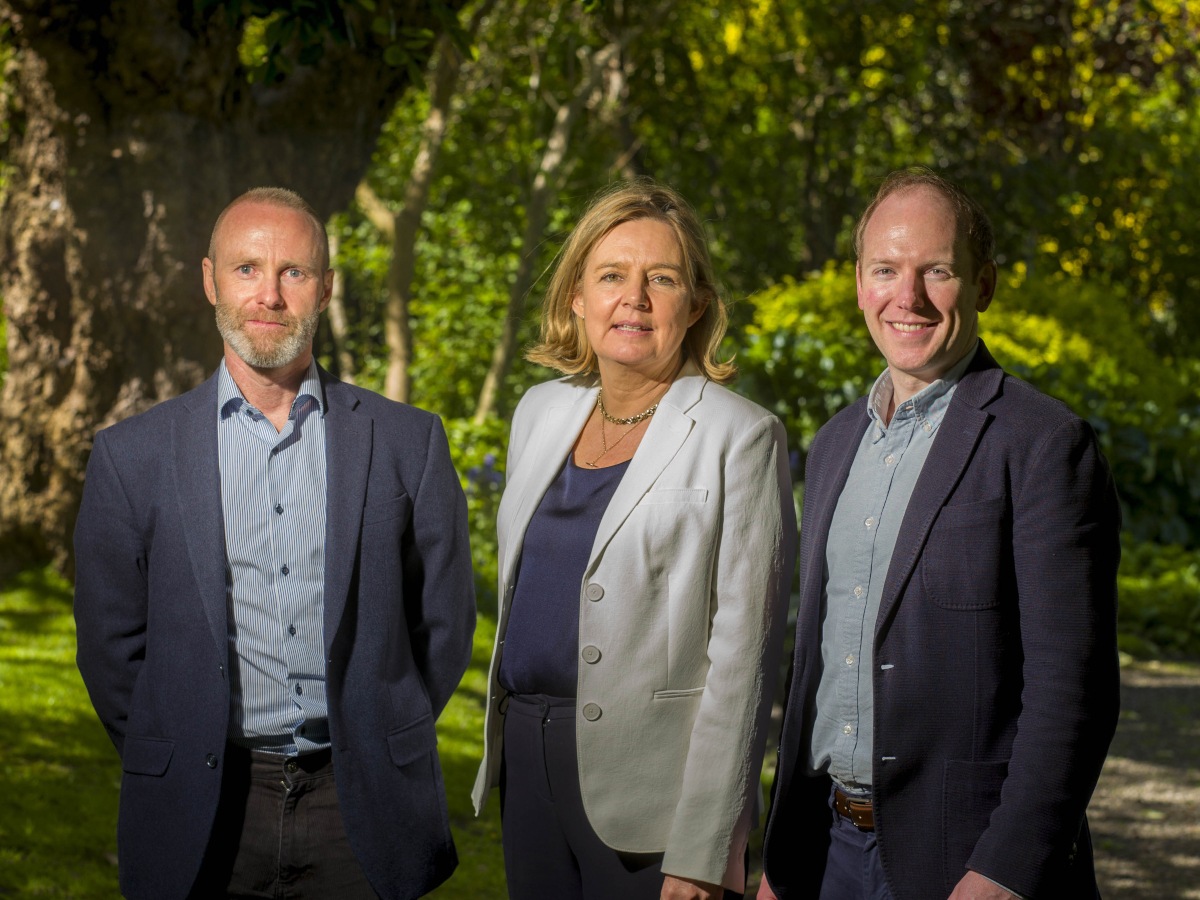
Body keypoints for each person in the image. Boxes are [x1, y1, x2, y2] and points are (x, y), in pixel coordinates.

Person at [73, 187, 475, 900]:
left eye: (293, 271)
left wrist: (384, 724)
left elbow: (443, 624)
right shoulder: (131, 456)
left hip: (361, 804)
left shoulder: (408, 443)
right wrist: (175, 742)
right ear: (209, 281)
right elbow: (110, 647)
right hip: (207, 805)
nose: (270, 294)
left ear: (326, 288)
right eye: (247, 269)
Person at [757, 168, 1121, 900]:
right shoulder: (833, 445)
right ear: (859, 283)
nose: (908, 297)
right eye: (886, 270)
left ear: (981, 285)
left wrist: (1005, 871)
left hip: (963, 864)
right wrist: (784, 853)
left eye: (938, 272)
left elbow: (1072, 690)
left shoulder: (1044, 444)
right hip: (826, 854)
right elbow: (818, 670)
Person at [471, 179, 797, 900]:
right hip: (528, 759)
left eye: (663, 279)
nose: (635, 298)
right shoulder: (538, 414)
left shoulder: (740, 436)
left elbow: (744, 660)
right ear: (577, 300)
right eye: (612, 276)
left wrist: (708, 845)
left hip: (655, 789)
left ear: (698, 304)